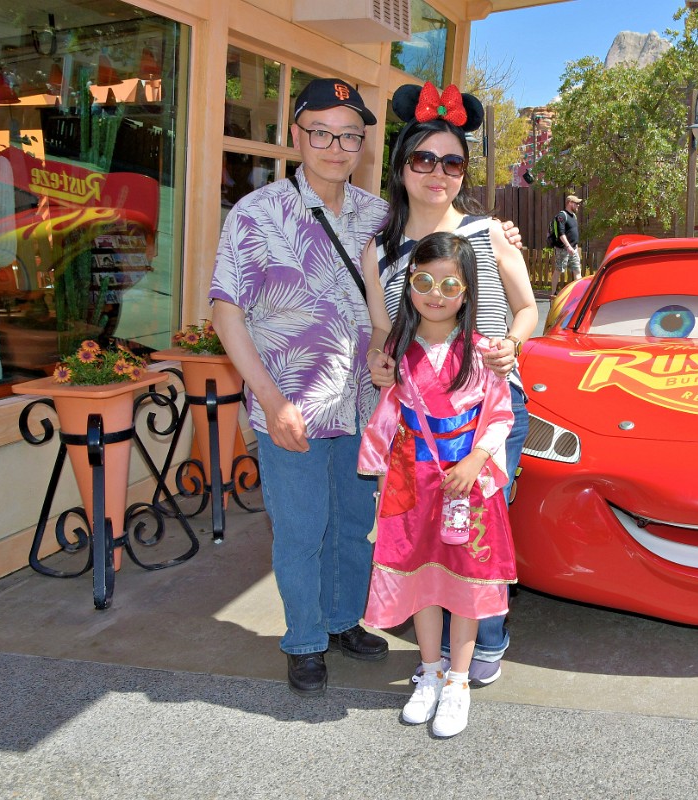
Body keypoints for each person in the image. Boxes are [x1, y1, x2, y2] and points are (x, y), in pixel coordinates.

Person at [210, 78, 523, 697]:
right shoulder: (257, 213)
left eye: (349, 134)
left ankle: (342, 620)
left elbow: (439, 254)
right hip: (292, 407)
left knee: (354, 527)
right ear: (297, 134)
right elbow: (226, 311)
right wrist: (270, 402)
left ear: (363, 146)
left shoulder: (378, 217)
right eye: (321, 132)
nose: (335, 145)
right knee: (301, 530)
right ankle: (304, 639)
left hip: (369, 409)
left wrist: (500, 235)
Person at [362, 82, 536, 688]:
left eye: (453, 161)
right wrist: (381, 365)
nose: (438, 173)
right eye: (424, 159)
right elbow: (384, 330)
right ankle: (439, 651)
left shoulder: (489, 234)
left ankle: (486, 638)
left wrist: (512, 345)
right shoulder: (380, 252)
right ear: (402, 164)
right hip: (418, 419)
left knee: (481, 529)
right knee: (430, 527)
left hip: (486, 410)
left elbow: (527, 309)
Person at [359, 231, 516, 738]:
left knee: (466, 584)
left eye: (450, 285)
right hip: (413, 483)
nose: (436, 294)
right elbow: (389, 418)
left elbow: (500, 415)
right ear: (408, 286)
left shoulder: (484, 351)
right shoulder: (396, 353)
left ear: (468, 291)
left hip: (465, 485)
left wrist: (475, 460)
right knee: (423, 580)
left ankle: (458, 681)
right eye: (424, 280)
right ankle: (427, 673)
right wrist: (380, 469)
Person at [551, 194, 583, 296]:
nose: (578, 205)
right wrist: (568, 246)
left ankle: (579, 296)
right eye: (576, 203)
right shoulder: (562, 216)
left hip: (573, 249)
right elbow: (561, 233)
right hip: (563, 249)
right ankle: (553, 294)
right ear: (570, 203)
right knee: (559, 270)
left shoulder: (574, 216)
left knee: (577, 270)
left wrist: (575, 246)